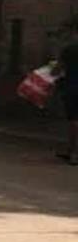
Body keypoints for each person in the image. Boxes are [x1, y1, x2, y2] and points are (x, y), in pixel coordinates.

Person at [55, 33, 78, 166]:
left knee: (74, 121)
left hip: (72, 88)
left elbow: (57, 70)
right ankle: (70, 150)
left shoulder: (69, 49)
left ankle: (74, 152)